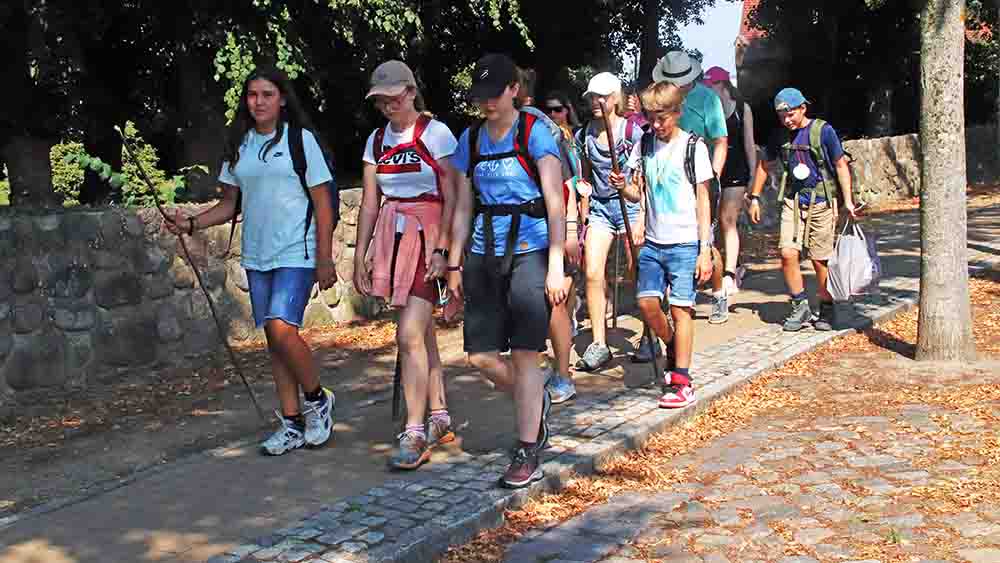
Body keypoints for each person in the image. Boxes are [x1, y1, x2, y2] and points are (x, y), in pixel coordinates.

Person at [166, 67, 336, 456]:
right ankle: (291, 423)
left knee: (280, 328)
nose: (258, 101)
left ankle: (318, 399)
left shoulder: (300, 141)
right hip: (258, 255)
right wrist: (190, 223)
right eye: (252, 95)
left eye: (267, 94)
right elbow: (229, 204)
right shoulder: (240, 145)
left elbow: (324, 202)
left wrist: (325, 257)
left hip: (299, 249)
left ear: (282, 99)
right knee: (274, 343)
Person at [448, 54, 568, 489]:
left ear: (514, 90)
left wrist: (556, 264)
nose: (487, 104)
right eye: (481, 97)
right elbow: (463, 205)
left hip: (531, 249)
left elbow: (556, 201)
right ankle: (533, 402)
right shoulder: (472, 140)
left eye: (495, 94)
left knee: (523, 353)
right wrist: (454, 261)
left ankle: (526, 447)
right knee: (479, 355)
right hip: (484, 249)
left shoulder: (535, 132)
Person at [354, 60, 458, 470]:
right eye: (381, 99)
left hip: (427, 241)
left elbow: (452, 198)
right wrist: (359, 255)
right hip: (391, 241)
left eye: (394, 96)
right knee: (422, 334)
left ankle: (414, 431)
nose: (387, 105)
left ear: (411, 91)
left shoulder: (437, 134)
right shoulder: (376, 141)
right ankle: (438, 415)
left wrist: (445, 252)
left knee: (409, 334)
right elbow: (368, 203)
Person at [610, 81, 714, 409]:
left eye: (662, 118)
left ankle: (681, 380)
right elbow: (638, 193)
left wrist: (705, 248)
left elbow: (703, 199)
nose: (656, 125)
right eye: (651, 118)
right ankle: (671, 344)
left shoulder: (694, 147)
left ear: (677, 113)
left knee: (682, 310)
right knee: (646, 304)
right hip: (653, 243)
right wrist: (622, 186)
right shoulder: (645, 143)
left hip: (684, 244)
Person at [747, 87, 857, 332]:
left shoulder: (823, 132)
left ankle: (826, 307)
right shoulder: (779, 136)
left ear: (803, 108)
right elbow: (764, 166)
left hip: (821, 202)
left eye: (791, 114)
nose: (787, 120)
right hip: (793, 203)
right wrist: (754, 197)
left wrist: (847, 200)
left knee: (820, 259)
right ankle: (800, 305)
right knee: (787, 253)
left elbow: (840, 165)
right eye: (782, 115)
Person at [651, 51, 730, 332]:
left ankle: (719, 292)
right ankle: (675, 304)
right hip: (667, 183)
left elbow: (720, 140)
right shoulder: (661, 98)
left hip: (700, 179)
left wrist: (713, 176)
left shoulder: (708, 99)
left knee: (703, 241)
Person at [574, 72, 645, 372]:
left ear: (615, 98)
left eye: (601, 96)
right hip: (601, 209)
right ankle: (599, 343)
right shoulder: (584, 135)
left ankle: (650, 334)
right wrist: (582, 209)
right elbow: (584, 178)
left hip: (630, 207)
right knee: (592, 272)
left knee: (638, 272)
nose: (595, 102)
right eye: (592, 96)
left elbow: (641, 186)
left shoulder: (633, 133)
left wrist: (641, 214)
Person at [535, 89, 587, 404]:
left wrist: (570, 234)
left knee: (557, 301)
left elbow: (568, 192)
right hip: (532, 235)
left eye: (559, 109)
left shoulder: (556, 147)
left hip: (559, 232)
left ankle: (563, 375)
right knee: (553, 303)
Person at [703, 66, 756, 324]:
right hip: (712, 170)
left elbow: (749, 144)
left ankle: (729, 274)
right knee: (711, 222)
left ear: (722, 84)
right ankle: (715, 268)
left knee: (728, 220)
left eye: (711, 84)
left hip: (736, 170)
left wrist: (753, 180)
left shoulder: (741, 108)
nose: (707, 88)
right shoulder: (706, 108)